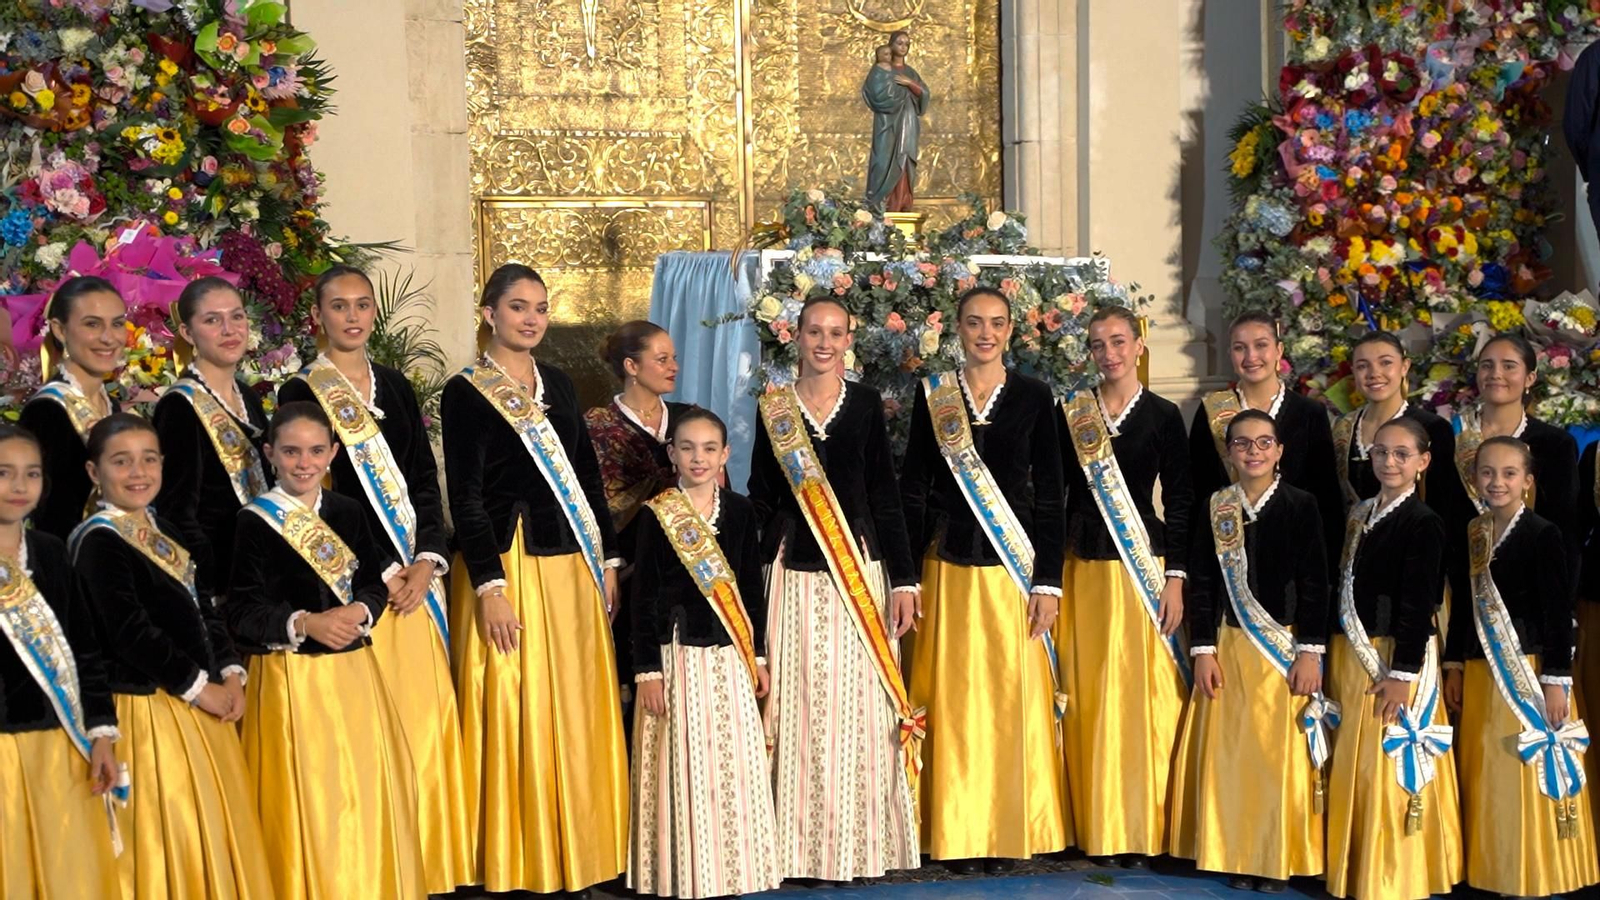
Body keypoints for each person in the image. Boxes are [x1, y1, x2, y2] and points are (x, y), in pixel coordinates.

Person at [275, 264, 475, 894]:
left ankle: (434, 864)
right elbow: (316, 502)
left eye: (363, 305)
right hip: (358, 588)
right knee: (372, 734)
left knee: (426, 722)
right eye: (340, 306)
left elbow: (422, 481)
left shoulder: (395, 385)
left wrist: (427, 560)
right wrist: (381, 571)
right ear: (319, 316)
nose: (354, 316)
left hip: (418, 581)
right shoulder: (299, 391)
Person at [443, 263, 628, 896]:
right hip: (508, 563)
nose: (531, 319)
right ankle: (517, 858)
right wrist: (489, 587)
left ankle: (581, 852)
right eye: (518, 307)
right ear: (490, 313)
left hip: (568, 557)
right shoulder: (465, 391)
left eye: (541, 308)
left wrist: (605, 561)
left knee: (574, 703)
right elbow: (464, 497)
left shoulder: (560, 383)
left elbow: (584, 476)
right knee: (513, 701)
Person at [748, 296, 921, 882]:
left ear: (850, 340)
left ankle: (861, 847)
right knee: (794, 713)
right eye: (814, 331)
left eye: (836, 333)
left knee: (862, 714)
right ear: (794, 336)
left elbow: (885, 495)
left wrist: (904, 579)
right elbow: (761, 495)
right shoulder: (773, 408)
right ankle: (792, 852)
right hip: (791, 577)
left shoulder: (867, 404)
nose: (825, 342)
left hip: (859, 576)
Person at [899, 286, 1070, 871]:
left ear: (1011, 330)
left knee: (1005, 703)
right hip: (946, 568)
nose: (986, 333)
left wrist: (1048, 583)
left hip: (1011, 574)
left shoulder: (1035, 397)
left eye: (997, 323)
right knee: (950, 701)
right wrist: (906, 576)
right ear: (958, 328)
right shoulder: (935, 398)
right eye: (975, 323)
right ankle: (952, 827)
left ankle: (1002, 831)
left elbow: (1052, 496)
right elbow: (913, 488)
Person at [69, 413, 273, 899]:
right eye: (122, 462)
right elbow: (129, 633)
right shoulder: (99, 540)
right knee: (170, 835)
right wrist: (201, 688)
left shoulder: (165, 530)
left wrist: (231, 672)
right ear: (95, 473)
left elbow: (204, 609)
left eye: (148, 459)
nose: (138, 472)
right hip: (150, 709)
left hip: (202, 704)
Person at [227, 401, 425, 899]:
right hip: (290, 682)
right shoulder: (253, 522)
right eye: (291, 451)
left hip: (356, 676)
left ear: (334, 453)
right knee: (306, 802)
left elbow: (373, 585)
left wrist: (361, 612)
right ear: (270, 453)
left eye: (316, 451)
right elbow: (242, 612)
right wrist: (306, 622)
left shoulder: (347, 512)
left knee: (363, 794)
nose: (303, 463)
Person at [1169, 409, 1329, 893]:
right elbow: (1204, 585)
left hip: (1283, 651)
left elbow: (1316, 583)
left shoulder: (1302, 505)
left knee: (1275, 757)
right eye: (1242, 443)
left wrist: (1310, 652)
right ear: (1230, 452)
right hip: (1232, 648)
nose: (1253, 451)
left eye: (1263, 443)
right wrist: (1203, 649)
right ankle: (1235, 852)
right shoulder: (1216, 507)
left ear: (1279, 451)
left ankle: (1274, 853)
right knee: (1236, 756)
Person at [1055, 306, 1191, 868]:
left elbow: (1181, 500)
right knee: (1086, 698)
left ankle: (1140, 827)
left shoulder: (1162, 415)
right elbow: (1053, 494)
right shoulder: (1072, 413)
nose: (1108, 353)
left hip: (1142, 568)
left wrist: (1178, 579)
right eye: (1097, 345)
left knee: (1136, 701)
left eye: (1118, 341)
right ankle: (1094, 825)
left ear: (1138, 345)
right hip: (1080, 568)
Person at [627, 408, 780, 898]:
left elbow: (749, 589)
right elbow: (642, 598)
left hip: (729, 657)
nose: (698, 458)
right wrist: (647, 671)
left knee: (731, 765)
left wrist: (756, 655)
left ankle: (732, 870)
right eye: (687, 448)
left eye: (709, 448)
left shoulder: (737, 511)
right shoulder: (657, 514)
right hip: (678, 659)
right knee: (684, 766)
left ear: (725, 455)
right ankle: (683, 873)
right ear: (671, 454)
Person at [1442, 437, 1598, 897]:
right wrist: (1453, 664)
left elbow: (1556, 614)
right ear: (1475, 478)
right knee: (1485, 772)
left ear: (1528, 481)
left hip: (1526, 669)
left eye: (1509, 473)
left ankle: (1528, 870)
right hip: (1479, 671)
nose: (1497, 482)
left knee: (1520, 772)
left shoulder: (1543, 534)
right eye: (1487, 472)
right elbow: (1467, 609)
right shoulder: (1473, 532)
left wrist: (1556, 681)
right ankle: (1490, 866)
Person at [1323, 417, 1462, 900]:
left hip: (1392, 658)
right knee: (1355, 766)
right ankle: (1354, 862)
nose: (1389, 462)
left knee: (1385, 764)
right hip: (1353, 652)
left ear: (1423, 463)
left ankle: (1393, 875)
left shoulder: (1424, 522)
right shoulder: (1361, 512)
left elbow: (1418, 602)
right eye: (1381, 452)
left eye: (1402, 454)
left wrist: (1403, 673)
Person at [0, 423, 125, 897]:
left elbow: (84, 647)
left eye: (31, 474)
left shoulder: (51, 552)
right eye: (4, 473)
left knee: (69, 872)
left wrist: (101, 734)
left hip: (59, 744)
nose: (18, 486)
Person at [1190, 310, 1343, 573]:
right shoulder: (1210, 412)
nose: (1251, 357)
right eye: (1240, 348)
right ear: (1230, 353)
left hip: (1295, 561)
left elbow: (1326, 499)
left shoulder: (1309, 413)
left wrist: (1327, 572)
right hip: (1226, 561)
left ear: (1278, 350)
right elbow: (1196, 494)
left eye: (1261, 345)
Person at [586, 320, 687, 711]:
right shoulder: (595, 428)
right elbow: (593, 509)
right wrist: (609, 565)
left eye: (673, 358)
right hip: (625, 570)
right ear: (631, 366)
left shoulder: (689, 421)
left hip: (685, 568)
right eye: (661, 359)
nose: (673, 366)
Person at [153, 277, 271, 606]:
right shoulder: (179, 405)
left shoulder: (246, 396)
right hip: (222, 586)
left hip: (261, 574)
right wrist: (211, 587)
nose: (229, 329)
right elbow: (177, 512)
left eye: (236, 316)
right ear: (188, 334)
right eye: (212, 320)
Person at [1451, 334, 1581, 603]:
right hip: (1459, 586)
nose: (1496, 373)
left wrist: (1561, 606)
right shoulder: (1451, 436)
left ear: (1530, 378)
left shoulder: (1554, 444)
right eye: (1487, 365)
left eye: (1509, 366)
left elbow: (1564, 531)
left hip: (1530, 591)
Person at [20, 275, 126, 540]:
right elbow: (48, 518)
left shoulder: (108, 403)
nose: (108, 338)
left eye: (118, 324)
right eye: (92, 324)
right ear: (59, 330)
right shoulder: (47, 410)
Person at [862, 29, 929, 211]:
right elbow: (873, 93)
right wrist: (891, 94)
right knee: (883, 161)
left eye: (907, 43)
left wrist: (910, 84)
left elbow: (924, 93)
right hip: (887, 123)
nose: (903, 47)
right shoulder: (881, 69)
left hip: (908, 121)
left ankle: (901, 204)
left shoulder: (910, 73)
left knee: (904, 157)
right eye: (899, 43)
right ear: (891, 45)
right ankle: (880, 204)